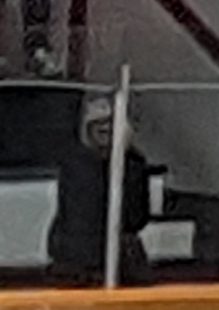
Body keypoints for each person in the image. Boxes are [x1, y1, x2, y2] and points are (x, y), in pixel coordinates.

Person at [49, 94, 160, 283]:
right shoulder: (77, 164)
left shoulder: (133, 163)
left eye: (111, 124)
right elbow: (79, 217)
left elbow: (135, 217)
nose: (105, 129)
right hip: (81, 260)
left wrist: (126, 161)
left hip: (118, 258)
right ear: (87, 129)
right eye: (98, 125)